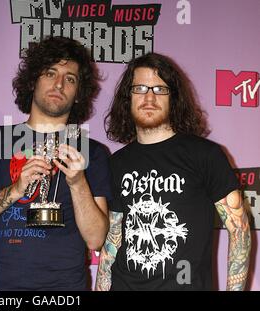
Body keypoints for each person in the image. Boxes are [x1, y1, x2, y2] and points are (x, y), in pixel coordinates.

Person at [96, 52, 251, 291]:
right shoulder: (117, 163)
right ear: (128, 98)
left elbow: (239, 230)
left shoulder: (205, 155)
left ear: (173, 98)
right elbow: (112, 241)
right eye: (140, 88)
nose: (149, 97)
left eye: (160, 89)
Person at [0, 36, 112, 290]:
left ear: (78, 94)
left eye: (70, 79)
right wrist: (16, 190)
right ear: (33, 80)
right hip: (0, 288)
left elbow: (95, 240)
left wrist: (78, 182)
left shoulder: (91, 152)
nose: (59, 84)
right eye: (50, 73)